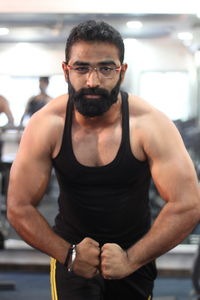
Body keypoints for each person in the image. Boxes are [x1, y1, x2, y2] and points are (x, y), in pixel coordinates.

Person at [7, 20, 200, 300]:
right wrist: (69, 254)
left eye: (106, 68)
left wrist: (132, 259)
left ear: (121, 72)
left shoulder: (150, 124)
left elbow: (188, 204)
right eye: (81, 67)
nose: (93, 81)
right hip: (71, 254)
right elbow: (18, 206)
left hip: (135, 253)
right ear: (66, 70)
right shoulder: (47, 124)